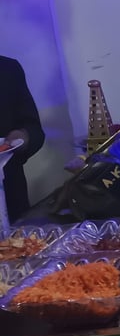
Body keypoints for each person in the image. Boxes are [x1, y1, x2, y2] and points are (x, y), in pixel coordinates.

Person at [0, 55, 45, 221]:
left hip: (10, 194)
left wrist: (24, 136)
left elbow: (35, 130)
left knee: (18, 245)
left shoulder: (8, 69)